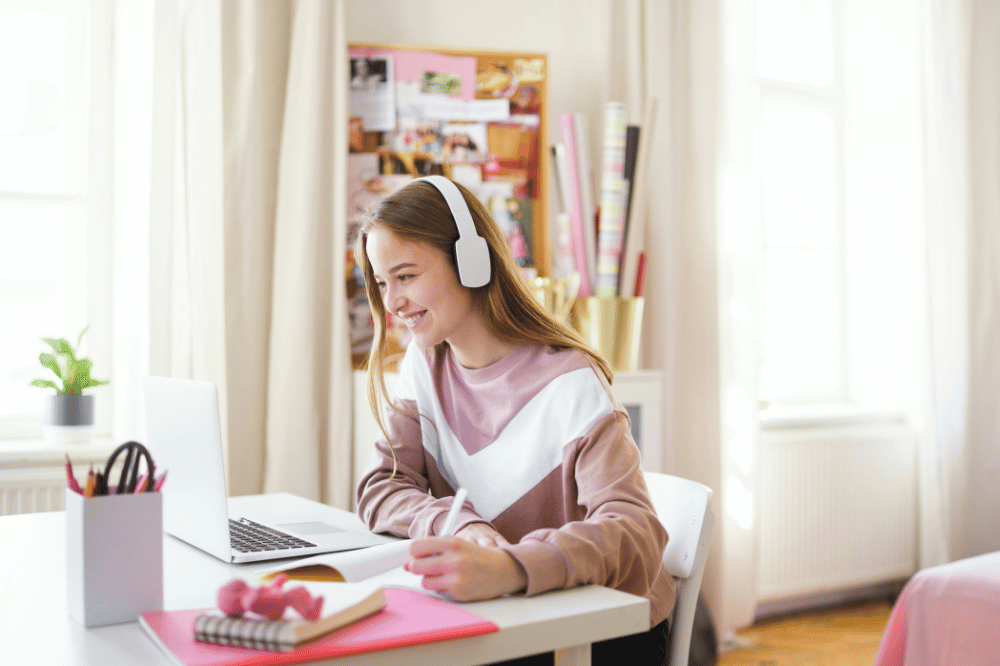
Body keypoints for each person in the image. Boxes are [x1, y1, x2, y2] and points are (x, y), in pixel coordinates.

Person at [354, 177, 675, 665]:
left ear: (471, 262)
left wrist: (511, 566)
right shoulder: (424, 364)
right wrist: (456, 523)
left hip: (598, 636)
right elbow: (382, 487)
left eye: (406, 276)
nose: (393, 302)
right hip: (505, 623)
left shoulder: (569, 381)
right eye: (382, 283)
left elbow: (636, 531)